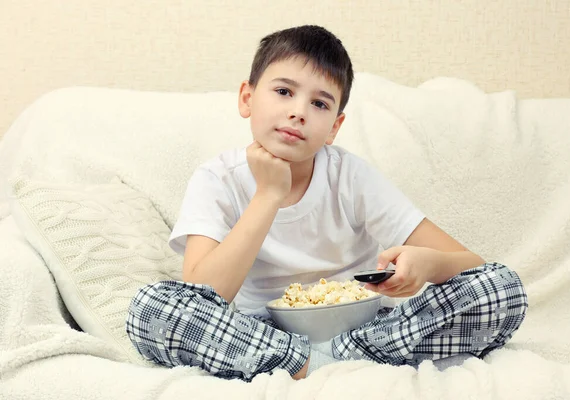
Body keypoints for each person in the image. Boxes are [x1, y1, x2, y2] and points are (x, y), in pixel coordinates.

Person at [126, 25, 528, 381]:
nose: (298, 112)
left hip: (365, 330)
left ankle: (330, 360)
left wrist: (428, 264)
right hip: (254, 332)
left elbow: (475, 265)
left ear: (335, 126)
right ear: (247, 98)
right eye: (283, 92)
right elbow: (203, 291)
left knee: (501, 289)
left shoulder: (351, 177)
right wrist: (268, 195)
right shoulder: (217, 179)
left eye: (319, 104)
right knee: (150, 308)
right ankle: (305, 362)